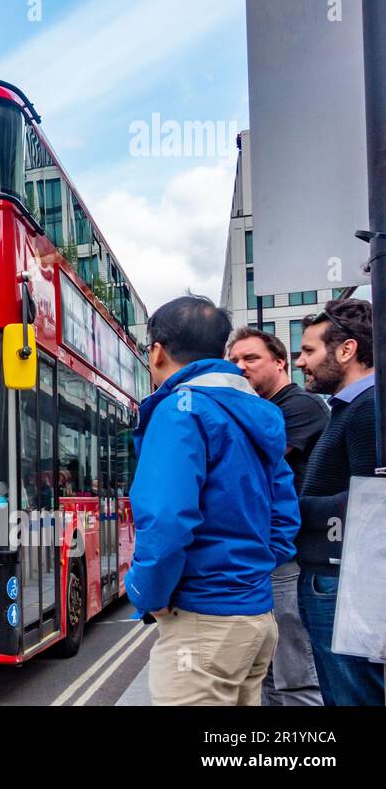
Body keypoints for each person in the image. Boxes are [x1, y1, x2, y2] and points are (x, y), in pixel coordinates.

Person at [127, 295, 298, 706]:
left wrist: (147, 594)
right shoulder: (257, 413)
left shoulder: (179, 410)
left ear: (156, 351)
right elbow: (284, 518)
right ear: (221, 351)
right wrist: (245, 574)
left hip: (202, 623)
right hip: (255, 617)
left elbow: (166, 519)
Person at [227, 326, 327, 706]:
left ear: (280, 362)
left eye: (251, 358)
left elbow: (249, 464)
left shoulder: (298, 406)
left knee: (295, 674)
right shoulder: (262, 410)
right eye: (234, 361)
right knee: (269, 673)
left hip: (294, 558)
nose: (240, 367)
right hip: (273, 556)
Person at [293, 298, 385, 706]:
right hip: (338, 578)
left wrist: (293, 511)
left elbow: (373, 503)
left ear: (346, 350)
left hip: (345, 583)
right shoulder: (352, 408)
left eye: (309, 350)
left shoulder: (368, 408)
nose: (300, 362)